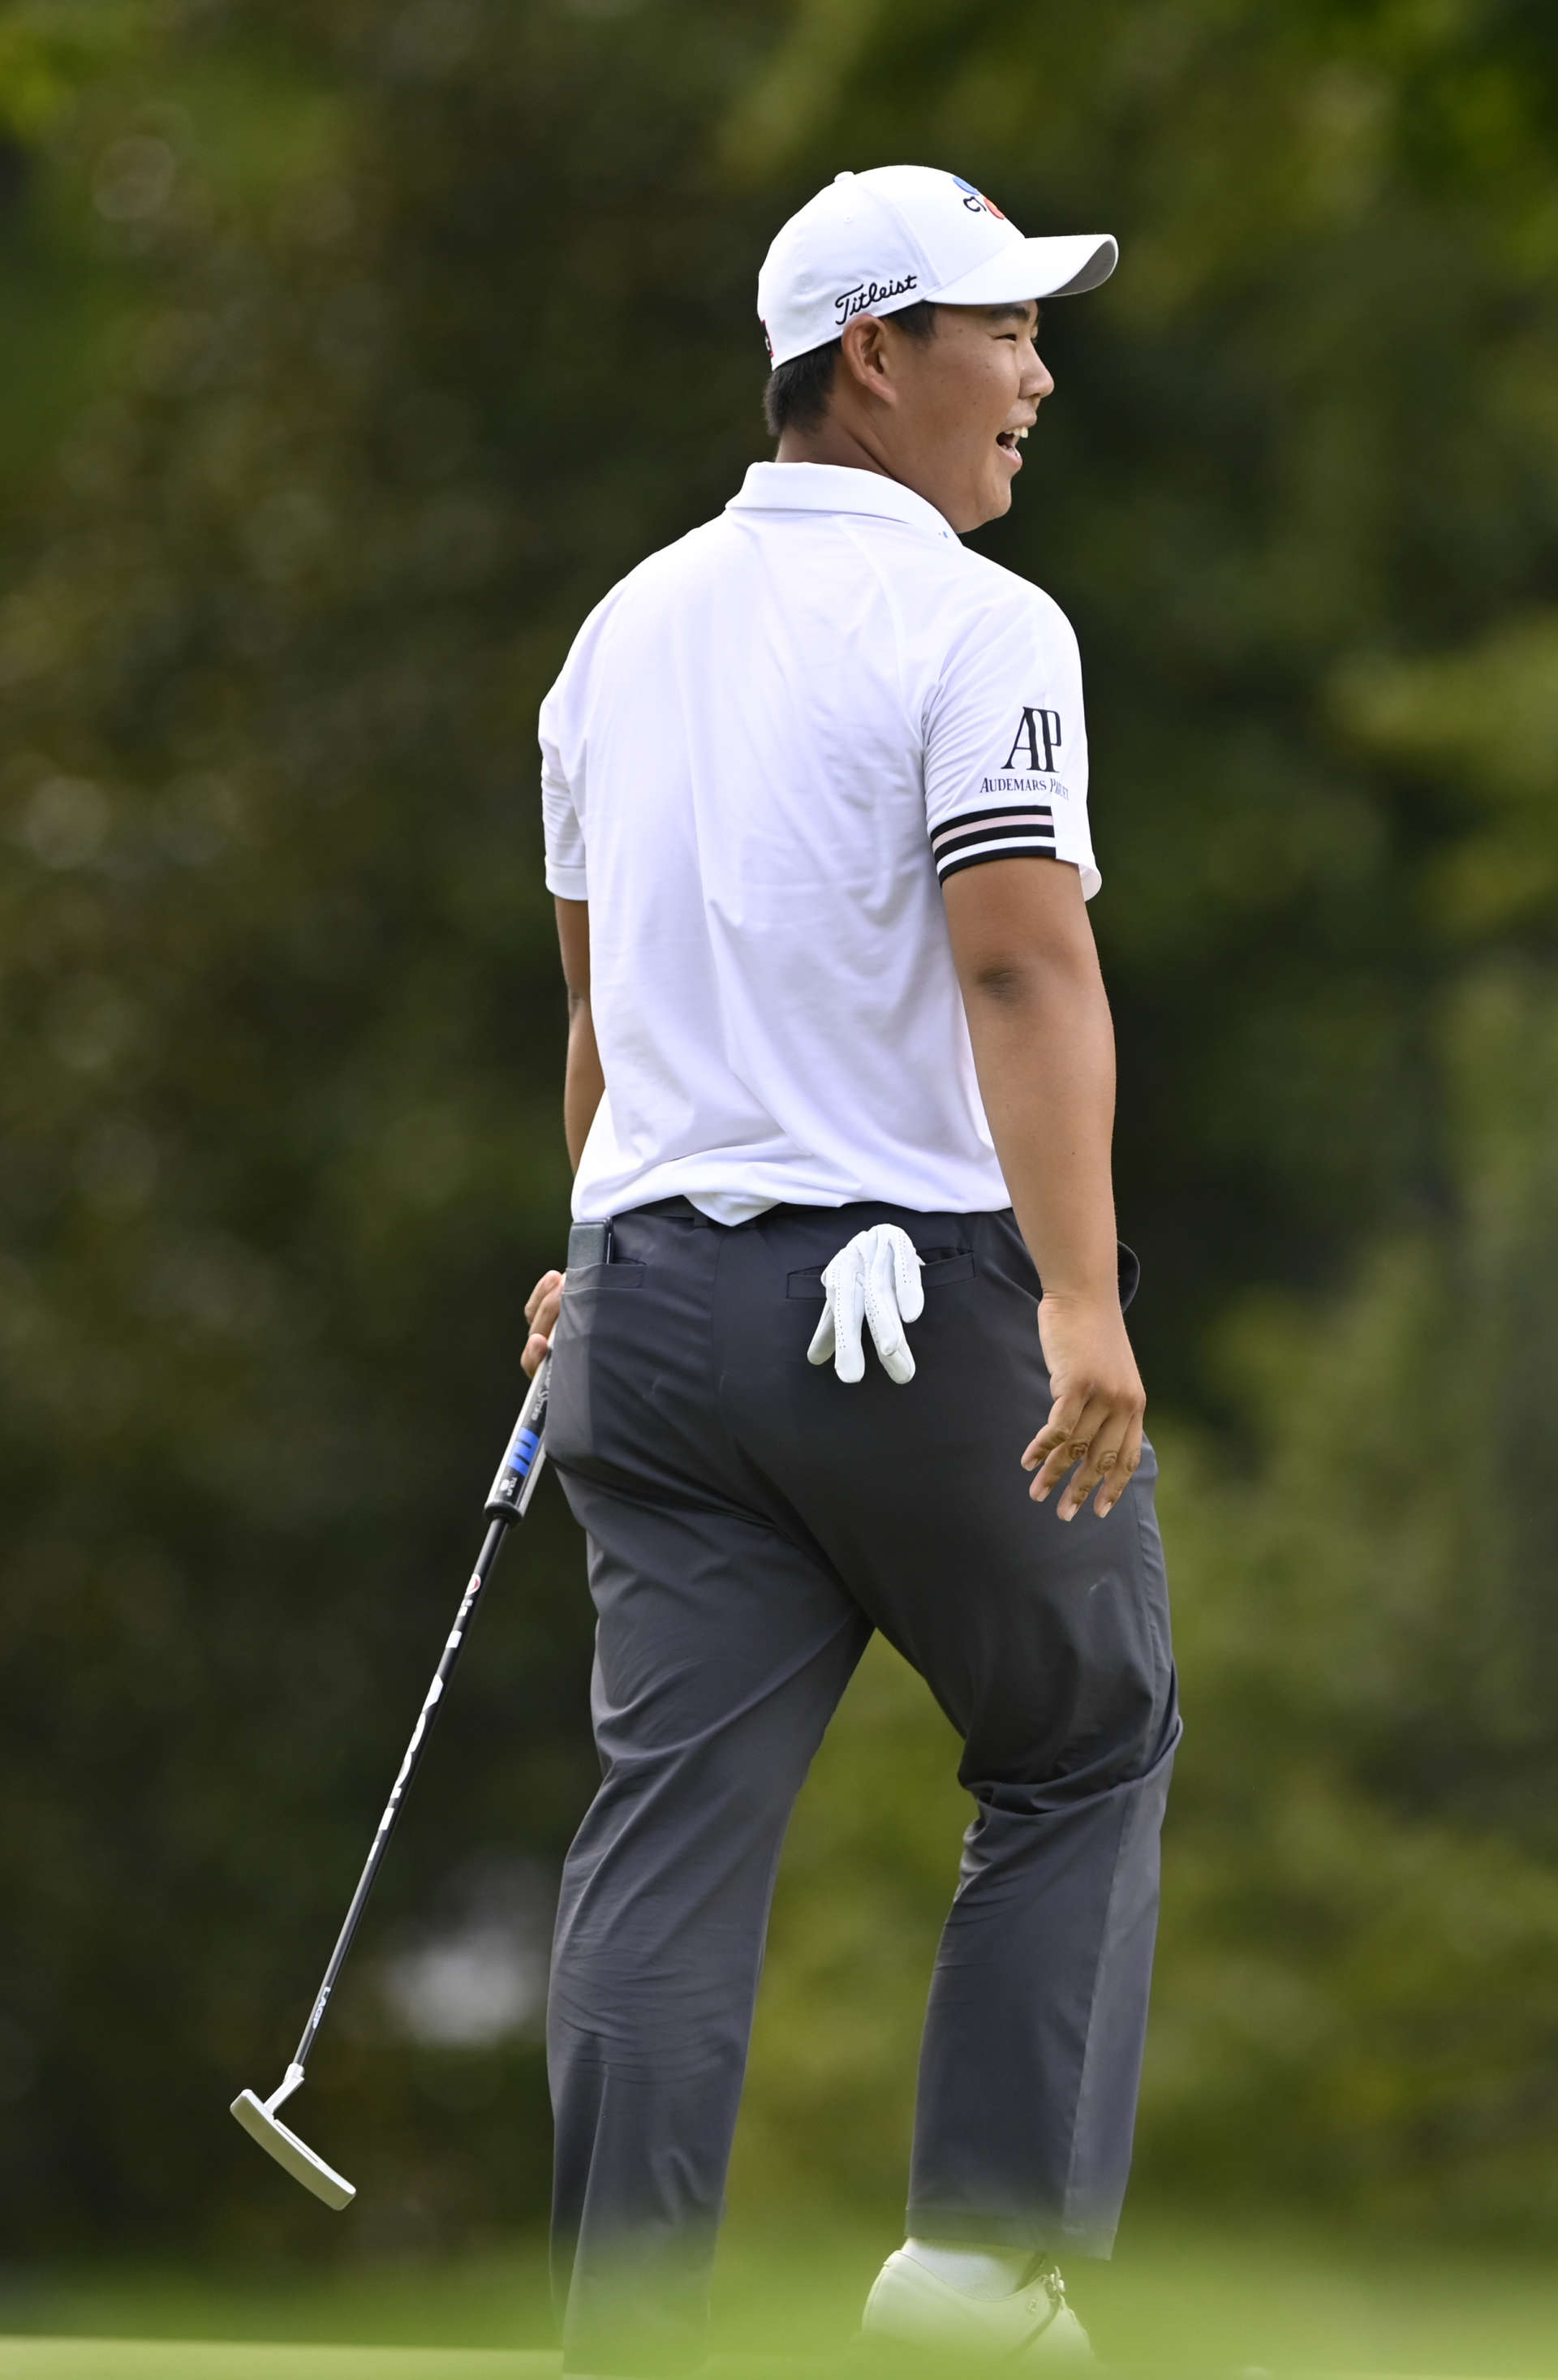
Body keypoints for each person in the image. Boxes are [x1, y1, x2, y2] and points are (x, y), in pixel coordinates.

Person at [519, 165, 1180, 2377]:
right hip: (898, 1318)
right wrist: (1083, 1306)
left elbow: (606, 1020)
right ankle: (980, 2286)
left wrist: (587, 1247)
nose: (1038, 373)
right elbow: (1021, 962)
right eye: (1001, 329)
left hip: (652, 1324)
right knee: (1084, 1735)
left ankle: (624, 2326)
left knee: (668, 1840)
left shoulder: (620, 628)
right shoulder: (980, 627)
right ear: (877, 356)